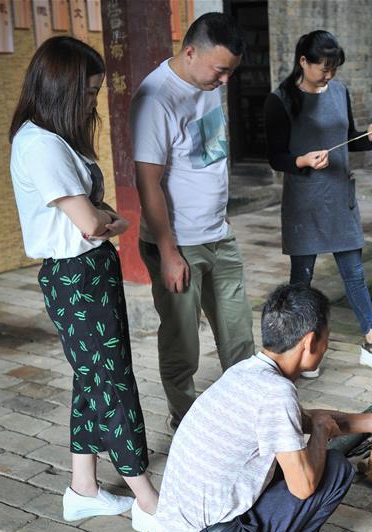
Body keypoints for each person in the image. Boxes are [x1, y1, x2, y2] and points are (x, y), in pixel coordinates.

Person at [156, 284, 372, 532]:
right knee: (335, 470)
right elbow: (304, 486)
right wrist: (322, 435)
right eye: (327, 336)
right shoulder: (276, 393)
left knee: (299, 456)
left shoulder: (248, 372)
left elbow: (307, 418)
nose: (327, 345)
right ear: (310, 342)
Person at [8, 36, 161, 532]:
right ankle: (147, 499)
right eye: (90, 92)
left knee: (92, 376)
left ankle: (84, 490)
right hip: (78, 278)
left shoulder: (50, 138)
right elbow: (92, 224)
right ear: (63, 90)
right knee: (113, 381)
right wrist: (109, 223)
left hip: (89, 272)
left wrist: (101, 221)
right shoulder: (42, 145)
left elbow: (94, 218)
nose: (93, 102)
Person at [131, 13, 255, 429]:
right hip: (178, 244)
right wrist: (167, 251)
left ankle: (244, 414)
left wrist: (219, 219)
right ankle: (184, 420)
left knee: (239, 339)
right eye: (220, 71)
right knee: (183, 344)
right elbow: (147, 182)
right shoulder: (156, 98)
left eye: (230, 73)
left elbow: (205, 160)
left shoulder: (207, 83)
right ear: (190, 52)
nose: (224, 82)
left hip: (218, 235)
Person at [264, 30, 372, 377]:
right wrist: (302, 161)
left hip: (338, 197)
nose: (329, 75)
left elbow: (347, 138)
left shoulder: (339, 91)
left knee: (355, 273)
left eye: (334, 68)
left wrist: (371, 137)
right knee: (301, 281)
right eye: (323, 68)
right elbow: (275, 157)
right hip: (304, 202)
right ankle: (300, 349)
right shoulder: (280, 100)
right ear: (303, 61)